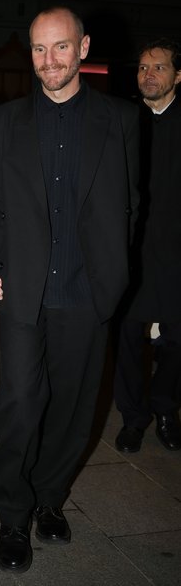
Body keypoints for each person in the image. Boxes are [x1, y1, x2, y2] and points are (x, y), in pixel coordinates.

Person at [0, 6, 139, 573]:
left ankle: (48, 499)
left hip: (87, 292)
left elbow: (131, 205)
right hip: (24, 289)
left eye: (60, 48)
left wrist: (115, 276)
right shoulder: (6, 122)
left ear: (83, 47)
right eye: (39, 50)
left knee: (72, 409)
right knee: (18, 401)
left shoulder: (120, 120)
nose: (48, 62)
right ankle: (13, 512)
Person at [114, 38, 181, 454]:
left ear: (178, 75)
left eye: (158, 67)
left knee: (178, 336)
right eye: (142, 68)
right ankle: (133, 417)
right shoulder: (122, 119)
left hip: (176, 252)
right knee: (125, 336)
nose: (148, 75)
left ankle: (164, 408)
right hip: (130, 251)